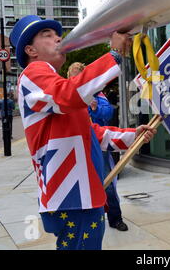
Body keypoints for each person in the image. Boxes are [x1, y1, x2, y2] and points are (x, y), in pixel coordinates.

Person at [10, 15, 157, 250]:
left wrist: (133, 135)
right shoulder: (32, 73)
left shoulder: (51, 81)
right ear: (30, 50)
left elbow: (93, 133)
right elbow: (68, 94)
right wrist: (114, 56)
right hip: (71, 194)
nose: (57, 38)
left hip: (79, 193)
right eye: (47, 35)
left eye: (56, 34)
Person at [67, 62, 128, 232]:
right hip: (75, 146)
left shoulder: (97, 94)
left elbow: (108, 113)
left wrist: (94, 108)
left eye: (79, 76)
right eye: (74, 77)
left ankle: (115, 218)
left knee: (107, 181)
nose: (77, 80)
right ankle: (83, 220)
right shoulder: (67, 96)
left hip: (97, 144)